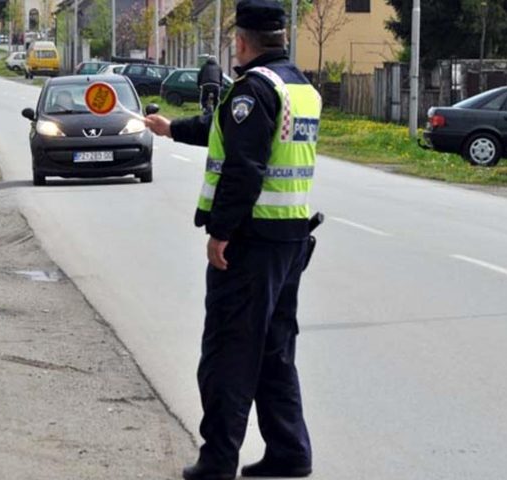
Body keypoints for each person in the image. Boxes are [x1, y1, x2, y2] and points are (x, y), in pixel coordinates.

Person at [144, 1, 322, 478]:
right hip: (290, 238)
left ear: (241, 41)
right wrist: (172, 128)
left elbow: (244, 167)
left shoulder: (254, 89)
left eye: (233, 42)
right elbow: (228, 132)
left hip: (251, 241)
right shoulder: (299, 87)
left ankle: (218, 460)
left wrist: (220, 232)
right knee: (274, 348)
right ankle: (289, 451)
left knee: (229, 349)